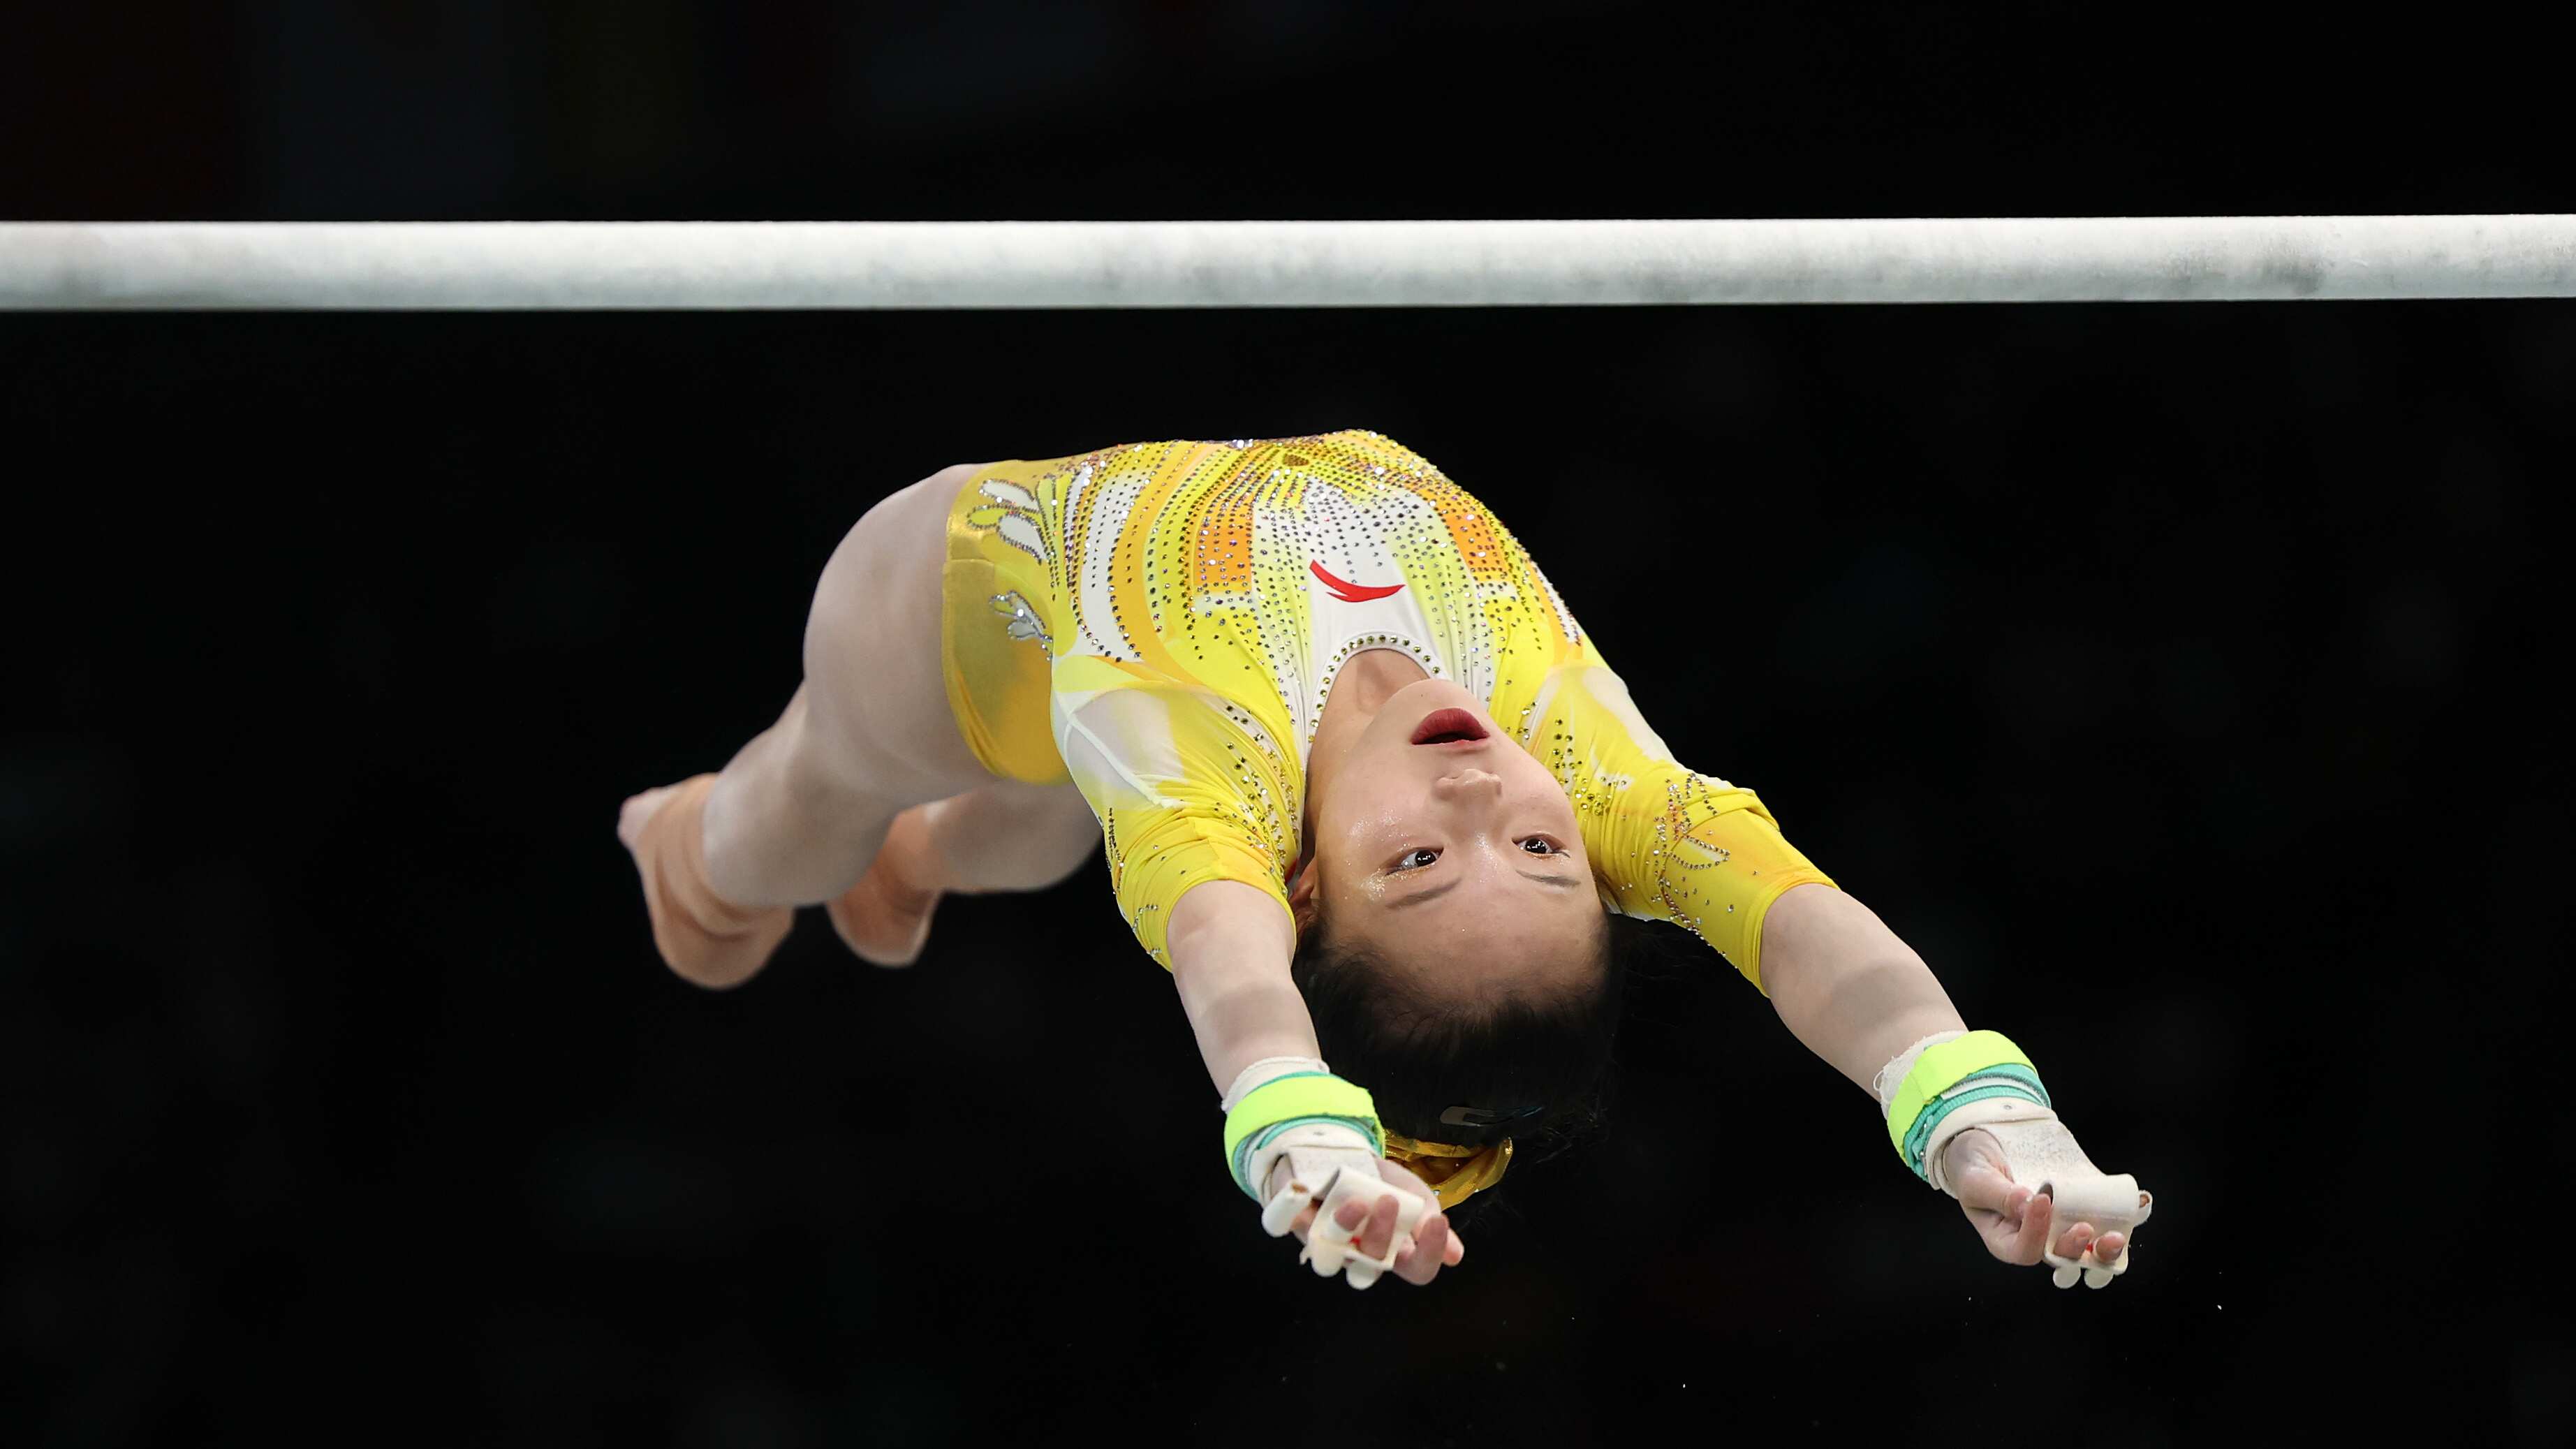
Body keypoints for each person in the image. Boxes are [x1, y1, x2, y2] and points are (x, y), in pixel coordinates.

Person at [617, 430, 2151, 1291]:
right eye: (1544, 849)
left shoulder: (1209, 790)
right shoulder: (1595, 766)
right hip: (1075, 692)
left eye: (1420, 861)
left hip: (930, 618)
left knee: (794, 815)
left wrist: (1295, 1131)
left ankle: (693, 863)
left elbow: (1230, 978)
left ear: (1300, 890)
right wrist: (1975, 1112)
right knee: (1055, 803)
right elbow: (1819, 941)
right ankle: (936, 865)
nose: (1488, 790)